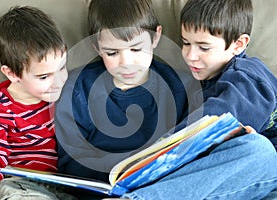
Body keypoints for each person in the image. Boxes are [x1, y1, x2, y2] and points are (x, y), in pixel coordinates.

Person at [55, 0, 277, 199]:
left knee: (260, 150)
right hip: (120, 185)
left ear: (155, 37)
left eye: (136, 49)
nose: (127, 62)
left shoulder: (191, 85)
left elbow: (220, 115)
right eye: (112, 53)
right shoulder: (77, 87)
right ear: (97, 47)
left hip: (188, 178)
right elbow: (71, 163)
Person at [0, 6, 76, 200]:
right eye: (44, 76)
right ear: (12, 74)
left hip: (61, 185)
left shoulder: (65, 94)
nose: (58, 82)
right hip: (20, 185)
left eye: (62, 68)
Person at [175, 0, 277, 149]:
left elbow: (214, 121)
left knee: (256, 145)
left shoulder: (248, 79)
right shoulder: (200, 80)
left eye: (204, 48)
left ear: (238, 44)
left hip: (268, 160)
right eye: (186, 43)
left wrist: (162, 148)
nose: (190, 55)